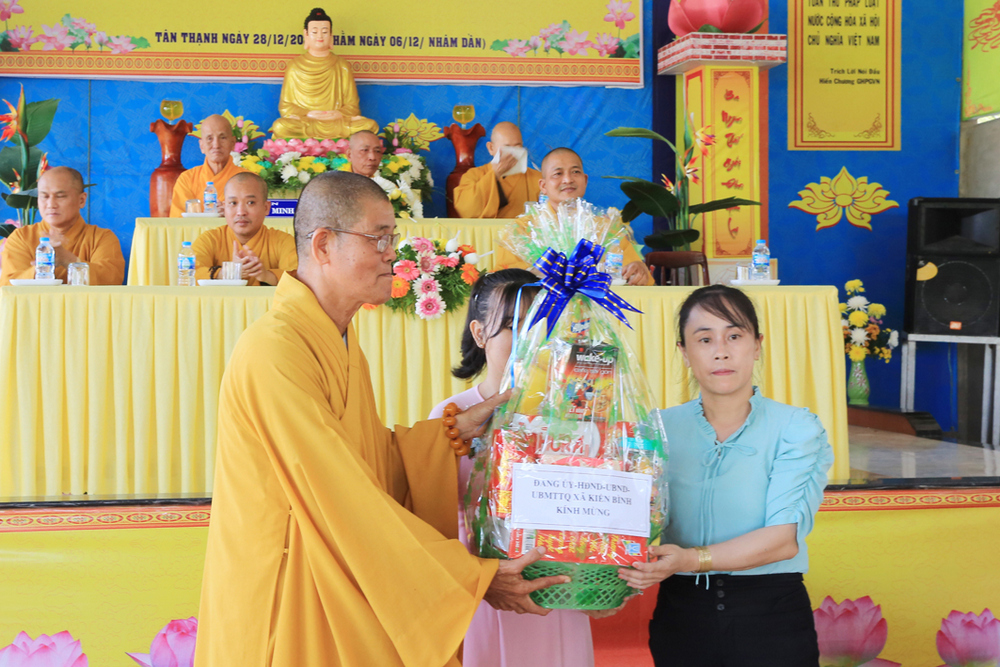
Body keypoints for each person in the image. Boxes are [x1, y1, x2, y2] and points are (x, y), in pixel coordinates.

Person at [195, 171, 568, 666]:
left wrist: (450, 433)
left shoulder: (340, 341)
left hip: (327, 569)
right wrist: (466, 577)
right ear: (323, 245)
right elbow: (340, 493)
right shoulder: (275, 351)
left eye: (392, 238)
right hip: (284, 589)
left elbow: (368, 459)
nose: (393, 254)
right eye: (379, 238)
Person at [619, 285, 834, 667]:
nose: (721, 351)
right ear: (684, 353)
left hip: (772, 620)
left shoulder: (796, 427)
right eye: (705, 339)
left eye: (734, 336)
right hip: (681, 619)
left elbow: (782, 541)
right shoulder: (657, 429)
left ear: (757, 345)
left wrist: (688, 559)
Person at [429, 268, 597, 667]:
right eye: (511, 325)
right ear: (479, 333)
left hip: (557, 592)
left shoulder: (575, 417)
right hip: (482, 595)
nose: (529, 339)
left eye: (541, 326)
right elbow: (431, 523)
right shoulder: (451, 417)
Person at [494, 148, 654, 286]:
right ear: (543, 186)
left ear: (585, 180)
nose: (568, 179)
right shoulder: (522, 230)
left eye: (575, 172)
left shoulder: (606, 228)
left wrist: (638, 272)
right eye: (558, 173)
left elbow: (631, 272)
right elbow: (504, 280)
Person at [0, 166, 125, 285]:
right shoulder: (21, 237)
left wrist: (68, 260)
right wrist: (43, 268)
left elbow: (112, 280)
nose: (51, 204)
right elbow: (8, 286)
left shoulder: (101, 238)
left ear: (81, 200)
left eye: (60, 196)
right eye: (44, 196)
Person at [269, 7, 380, 140]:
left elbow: (353, 107)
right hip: (307, 122)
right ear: (306, 34)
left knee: (370, 126)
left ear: (331, 35)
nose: (320, 36)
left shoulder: (342, 65)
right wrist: (308, 113)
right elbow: (286, 107)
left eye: (325, 32)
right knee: (281, 126)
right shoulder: (295, 66)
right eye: (314, 32)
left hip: (336, 122)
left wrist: (338, 114)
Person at [192, 173, 297, 285]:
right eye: (233, 203)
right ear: (225, 207)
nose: (241, 212)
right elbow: (191, 273)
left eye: (250, 203)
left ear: (266, 208)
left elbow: (298, 277)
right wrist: (229, 272)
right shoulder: (210, 239)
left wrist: (266, 276)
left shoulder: (284, 242)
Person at [453, 122, 541, 219]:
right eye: (507, 148)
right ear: (491, 148)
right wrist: (494, 175)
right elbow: (466, 210)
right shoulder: (473, 176)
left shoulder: (537, 178)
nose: (513, 154)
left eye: (517, 147)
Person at [169, 114, 248, 217]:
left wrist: (232, 213)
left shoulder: (248, 179)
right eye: (209, 138)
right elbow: (178, 222)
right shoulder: (187, 179)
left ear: (233, 143)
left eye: (222, 138)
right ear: (202, 145)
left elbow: (256, 219)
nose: (216, 145)